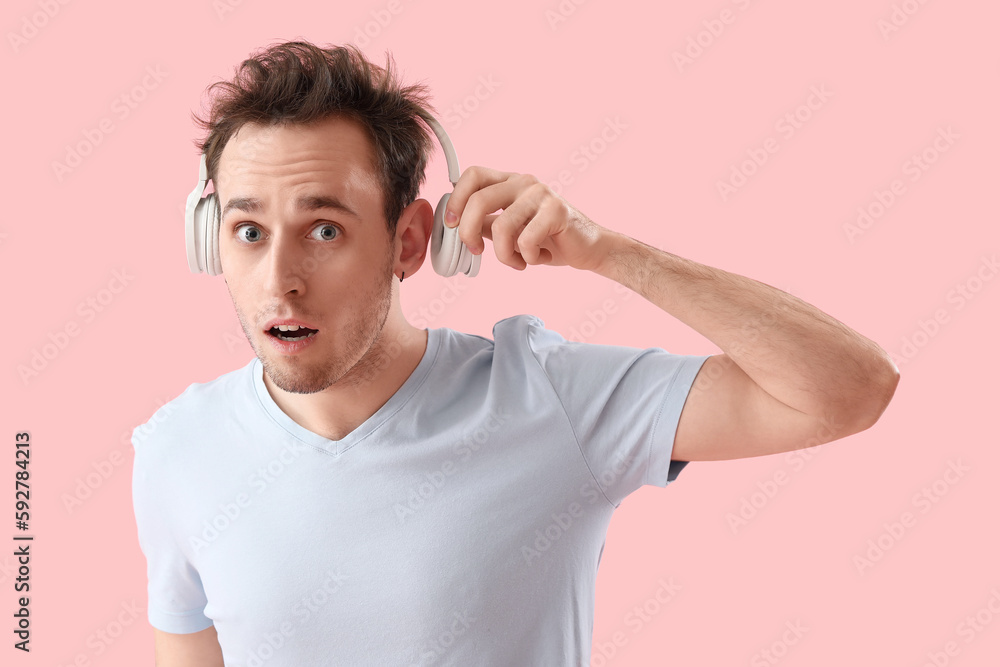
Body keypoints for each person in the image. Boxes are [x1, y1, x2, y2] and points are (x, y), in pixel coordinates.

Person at [131, 40, 899, 666]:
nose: (279, 282)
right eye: (248, 231)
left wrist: (612, 253)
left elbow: (849, 389)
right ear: (210, 242)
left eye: (324, 229)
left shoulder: (549, 396)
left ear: (408, 241)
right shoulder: (175, 449)